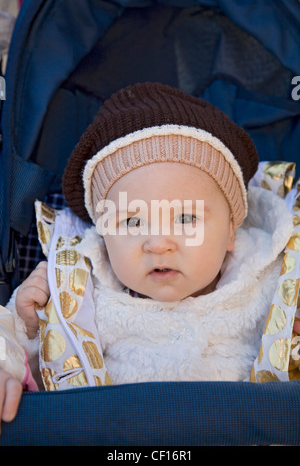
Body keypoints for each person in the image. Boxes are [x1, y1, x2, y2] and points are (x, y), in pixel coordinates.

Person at [0, 82, 299, 426]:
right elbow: (7, 337)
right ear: (103, 234)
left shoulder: (276, 278)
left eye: (186, 218)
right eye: (132, 221)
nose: (158, 243)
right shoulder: (74, 288)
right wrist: (28, 328)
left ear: (232, 230)